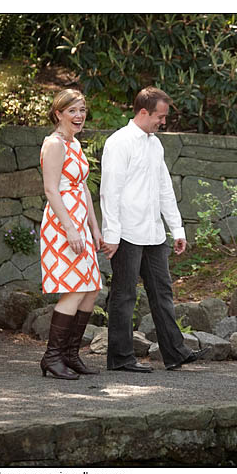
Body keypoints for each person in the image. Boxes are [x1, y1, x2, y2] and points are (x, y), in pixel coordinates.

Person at [100, 86, 208, 372]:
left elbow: (164, 189)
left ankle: (175, 353)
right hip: (126, 234)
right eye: (160, 116)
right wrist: (111, 235)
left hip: (154, 233)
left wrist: (178, 229)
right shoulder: (119, 142)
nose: (163, 122)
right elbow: (110, 192)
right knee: (124, 296)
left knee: (162, 292)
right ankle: (121, 359)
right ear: (144, 111)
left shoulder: (155, 144)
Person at [39, 89, 106, 379]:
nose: (79, 116)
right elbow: (51, 189)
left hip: (80, 223)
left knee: (91, 289)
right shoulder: (54, 144)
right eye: (72, 111)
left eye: (82, 110)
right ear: (58, 114)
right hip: (62, 223)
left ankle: (69, 355)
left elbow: (82, 188)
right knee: (76, 288)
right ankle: (52, 358)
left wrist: (93, 227)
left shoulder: (75, 143)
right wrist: (69, 228)